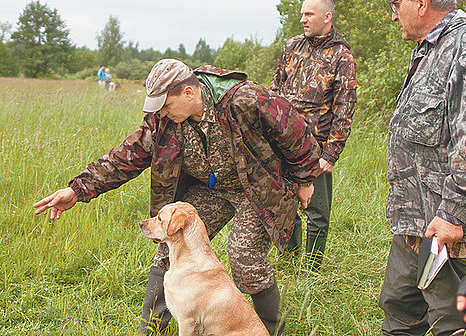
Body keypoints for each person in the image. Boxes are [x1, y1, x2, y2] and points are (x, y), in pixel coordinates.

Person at [33, 59, 321, 335]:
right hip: (211, 189)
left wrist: (305, 180)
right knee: (168, 248)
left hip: (256, 189)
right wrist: (77, 189)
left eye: (167, 105)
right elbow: (127, 155)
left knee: (246, 262)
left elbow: (295, 133)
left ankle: (271, 331)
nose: (162, 113)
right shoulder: (164, 120)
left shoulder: (243, 99)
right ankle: (152, 331)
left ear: (189, 92)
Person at [374, 0, 466, 334]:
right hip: (415, 222)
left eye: (395, 4)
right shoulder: (429, 49)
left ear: (421, 2)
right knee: (400, 311)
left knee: (454, 321)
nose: (392, 16)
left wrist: (454, 212)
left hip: (453, 230)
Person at [270, 0, 357, 271]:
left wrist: (330, 154)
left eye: (309, 14)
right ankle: (289, 261)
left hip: (315, 148)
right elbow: (274, 92)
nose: (302, 19)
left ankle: (313, 270)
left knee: (316, 211)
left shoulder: (342, 56)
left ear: (327, 17)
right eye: (302, 14)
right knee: (286, 205)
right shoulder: (292, 46)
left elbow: (345, 109)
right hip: (283, 143)